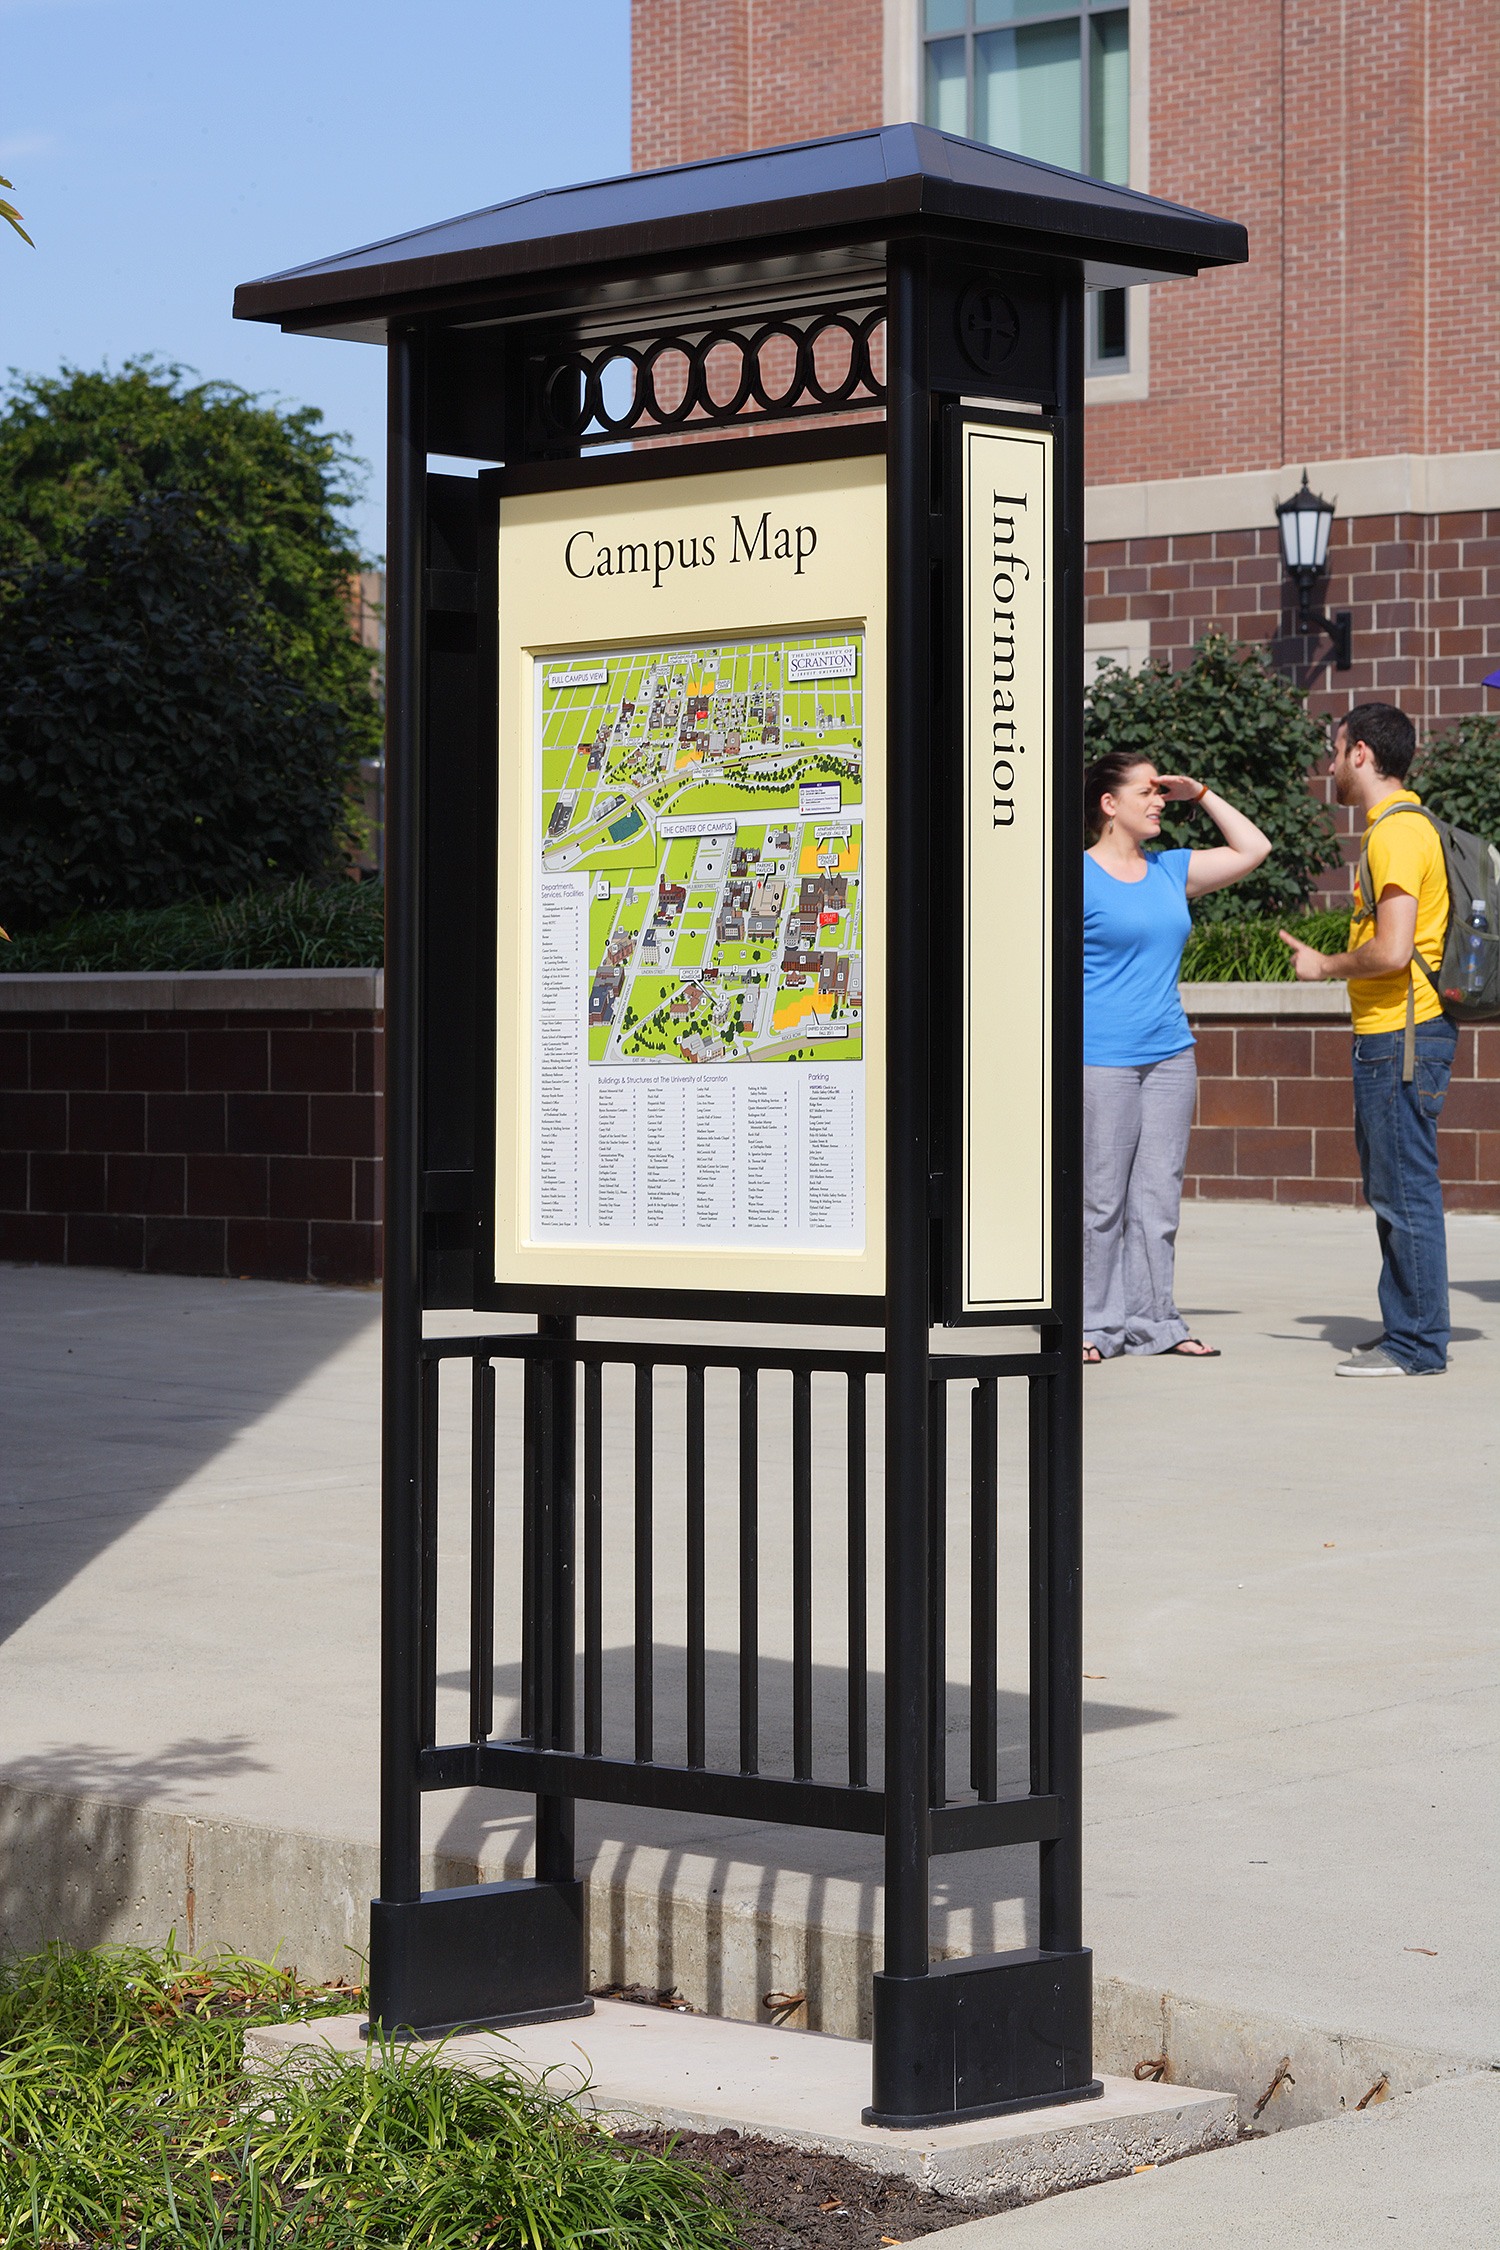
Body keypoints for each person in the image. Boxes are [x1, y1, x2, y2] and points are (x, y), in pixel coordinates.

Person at [1279, 704, 1454, 1376]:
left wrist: (1323, 966)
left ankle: (1417, 1346)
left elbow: (1392, 949)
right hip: (1395, 1033)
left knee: (1404, 1191)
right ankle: (1407, 1328)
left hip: (1401, 1034)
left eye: (1333, 752)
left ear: (1358, 752)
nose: (1329, 767)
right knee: (1393, 1190)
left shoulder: (1397, 834)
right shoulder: (1397, 828)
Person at [1083, 753, 1271, 1362]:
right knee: (1102, 1197)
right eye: (1147, 791)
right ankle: (1094, 1326)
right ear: (1110, 805)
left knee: (1158, 1198)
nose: (1159, 800)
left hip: (1169, 1056)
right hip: (1101, 1057)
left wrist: (1203, 794)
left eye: (1163, 792)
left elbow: (1253, 848)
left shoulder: (1171, 870)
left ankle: (1156, 1322)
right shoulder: (1073, 877)